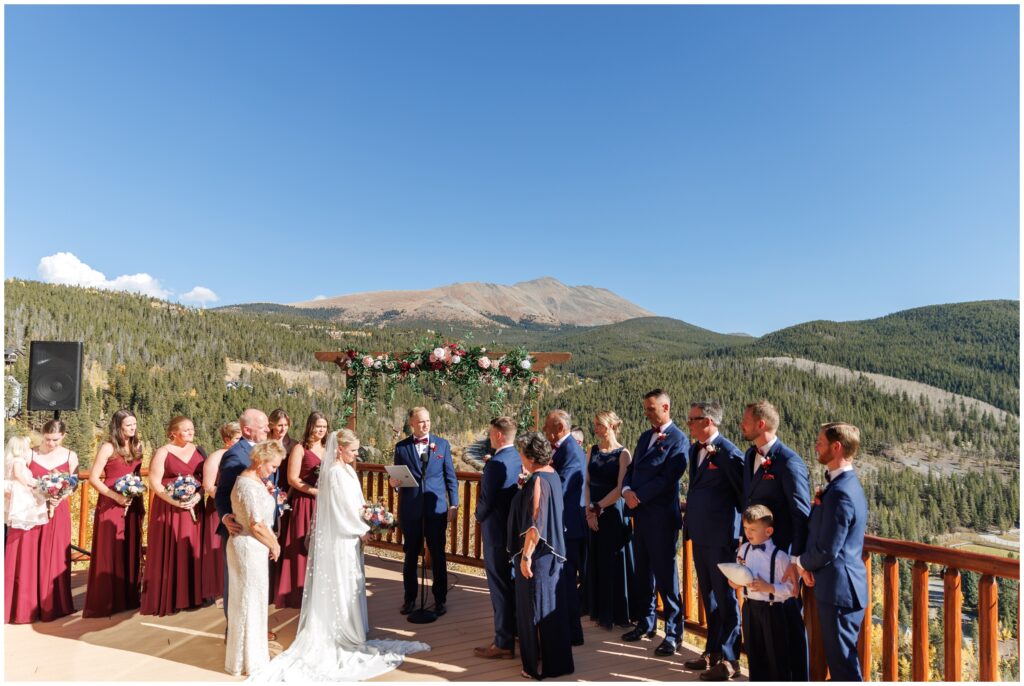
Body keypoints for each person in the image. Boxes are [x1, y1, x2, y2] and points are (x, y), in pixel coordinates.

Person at [248, 429, 429, 681]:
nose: (356, 454)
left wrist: (371, 516)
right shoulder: (333, 473)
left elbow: (355, 503)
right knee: (342, 582)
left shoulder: (346, 469)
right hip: (342, 538)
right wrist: (361, 529)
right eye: (352, 450)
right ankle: (341, 630)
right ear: (340, 449)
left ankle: (351, 627)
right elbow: (339, 509)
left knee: (352, 582)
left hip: (351, 536)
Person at [787, 423, 869, 681]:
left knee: (843, 663)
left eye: (820, 442)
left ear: (836, 447)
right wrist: (809, 566)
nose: (816, 446)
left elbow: (829, 548)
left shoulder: (842, 493)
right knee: (836, 658)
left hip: (840, 590)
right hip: (832, 585)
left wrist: (801, 563)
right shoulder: (840, 486)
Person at [740, 400, 811, 679]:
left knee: (784, 641)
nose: (741, 425)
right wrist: (742, 545)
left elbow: (801, 515)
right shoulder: (749, 456)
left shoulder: (789, 461)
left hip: (779, 563)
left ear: (761, 424)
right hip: (754, 557)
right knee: (757, 640)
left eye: (745, 420)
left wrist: (795, 561)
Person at [621, 389, 689, 656]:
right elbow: (631, 469)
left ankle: (673, 633)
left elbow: (669, 477)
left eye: (652, 408)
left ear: (666, 407)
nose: (647, 413)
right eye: (646, 408)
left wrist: (639, 497)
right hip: (640, 517)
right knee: (643, 574)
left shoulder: (678, 439)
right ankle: (646, 622)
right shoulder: (644, 436)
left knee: (666, 577)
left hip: (661, 518)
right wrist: (626, 491)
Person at [682, 402, 745, 681]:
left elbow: (742, 495)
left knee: (726, 598)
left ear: (708, 421)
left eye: (692, 419)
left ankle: (732, 660)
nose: (688, 424)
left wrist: (743, 537)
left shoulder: (729, 453)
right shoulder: (695, 449)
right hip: (701, 535)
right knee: (709, 597)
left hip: (721, 538)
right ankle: (713, 651)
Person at [508, 432, 574, 681]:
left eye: (522, 453)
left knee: (531, 610)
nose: (520, 457)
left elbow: (535, 524)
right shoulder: (552, 474)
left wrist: (525, 557)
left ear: (531, 456)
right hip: (553, 555)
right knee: (550, 610)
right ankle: (557, 663)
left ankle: (534, 667)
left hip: (538, 556)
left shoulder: (537, 480)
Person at [4, 423, 78, 623]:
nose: (50, 443)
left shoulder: (71, 456)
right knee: (27, 557)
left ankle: (51, 607)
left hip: (58, 511)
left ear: (64, 435)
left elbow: (73, 484)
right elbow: (15, 477)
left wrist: (59, 497)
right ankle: (22, 608)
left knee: (52, 557)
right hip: (31, 511)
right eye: (47, 439)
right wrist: (40, 492)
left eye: (55, 439)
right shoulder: (30, 454)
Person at [389, 407, 458, 616]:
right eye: (420, 422)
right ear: (412, 424)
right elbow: (397, 477)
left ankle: (440, 600)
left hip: (436, 510)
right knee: (410, 556)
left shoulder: (442, 445)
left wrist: (453, 504)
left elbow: (450, 478)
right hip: (410, 510)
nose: (425, 425)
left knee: (438, 555)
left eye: (427, 420)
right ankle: (409, 599)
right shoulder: (401, 448)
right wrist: (394, 483)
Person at [224, 440, 285, 677]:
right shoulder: (248, 486)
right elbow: (256, 524)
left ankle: (251, 656)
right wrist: (275, 544)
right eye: (272, 466)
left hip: (253, 547)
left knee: (254, 601)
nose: (274, 471)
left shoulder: (256, 481)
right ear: (259, 462)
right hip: (248, 547)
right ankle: (248, 661)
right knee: (248, 602)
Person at [140, 416, 205, 616]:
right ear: (173, 433)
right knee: (172, 548)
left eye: (192, 429)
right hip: (170, 509)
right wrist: (176, 501)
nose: (190, 432)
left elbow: (205, 478)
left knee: (191, 548)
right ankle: (171, 596)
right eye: (185, 430)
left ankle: (193, 596)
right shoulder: (163, 452)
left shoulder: (199, 450)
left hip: (195, 505)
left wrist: (199, 496)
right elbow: (155, 483)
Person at [83, 409, 145, 618]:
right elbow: (93, 478)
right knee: (110, 550)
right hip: (111, 502)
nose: (132, 428)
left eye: (134, 424)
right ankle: (107, 601)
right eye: (128, 425)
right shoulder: (108, 447)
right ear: (118, 427)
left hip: (133, 502)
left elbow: (136, 474)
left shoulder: (137, 445)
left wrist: (135, 492)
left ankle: (128, 597)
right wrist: (116, 496)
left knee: (129, 547)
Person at [727, 505, 798, 681]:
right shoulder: (743, 550)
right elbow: (736, 577)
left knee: (776, 656)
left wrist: (770, 588)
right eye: (745, 528)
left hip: (772, 610)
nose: (748, 533)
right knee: (754, 654)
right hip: (749, 608)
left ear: (768, 531)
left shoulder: (780, 557)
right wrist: (734, 582)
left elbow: (792, 590)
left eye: (753, 529)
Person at [215, 408, 271, 626]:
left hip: (259, 528)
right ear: (247, 430)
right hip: (239, 529)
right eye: (263, 426)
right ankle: (235, 629)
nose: (269, 428)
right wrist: (225, 515)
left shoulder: (262, 450)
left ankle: (254, 627)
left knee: (254, 583)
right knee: (237, 583)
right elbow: (222, 491)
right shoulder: (235, 455)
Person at [473, 416, 521, 660]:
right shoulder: (517, 458)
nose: (489, 437)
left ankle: (502, 642)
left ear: (500, 436)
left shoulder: (494, 464)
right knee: (510, 583)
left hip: (495, 533)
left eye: (491, 433)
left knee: (499, 586)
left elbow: (486, 500)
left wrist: (477, 516)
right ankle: (514, 631)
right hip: (512, 532)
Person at [584, 410, 636, 630]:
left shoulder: (623, 454)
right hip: (592, 509)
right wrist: (588, 510)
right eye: (595, 424)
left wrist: (598, 507)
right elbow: (586, 481)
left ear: (613, 426)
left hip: (612, 511)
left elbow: (620, 487)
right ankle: (596, 607)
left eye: (601, 425)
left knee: (612, 561)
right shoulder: (591, 450)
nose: (596, 429)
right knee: (595, 558)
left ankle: (615, 612)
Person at [273, 411, 328, 609]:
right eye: (317, 426)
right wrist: (314, 491)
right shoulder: (300, 448)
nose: (321, 430)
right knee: (300, 546)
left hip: (324, 503)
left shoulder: (328, 448)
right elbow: (292, 479)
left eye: (324, 426)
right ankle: (295, 593)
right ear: (309, 427)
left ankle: (318, 590)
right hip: (304, 501)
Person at [543, 409, 586, 646]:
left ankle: (572, 633)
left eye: (547, 426)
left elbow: (561, 487)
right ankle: (567, 630)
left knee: (567, 579)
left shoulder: (571, 451)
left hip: (567, 526)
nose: (543, 429)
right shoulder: (562, 449)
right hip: (562, 524)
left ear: (559, 428)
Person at [200, 421, 241, 603]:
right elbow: (208, 485)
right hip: (219, 508)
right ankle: (218, 590)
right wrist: (228, 500)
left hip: (239, 507)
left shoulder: (243, 454)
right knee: (217, 548)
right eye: (238, 438)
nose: (241, 442)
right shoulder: (216, 457)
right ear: (227, 439)